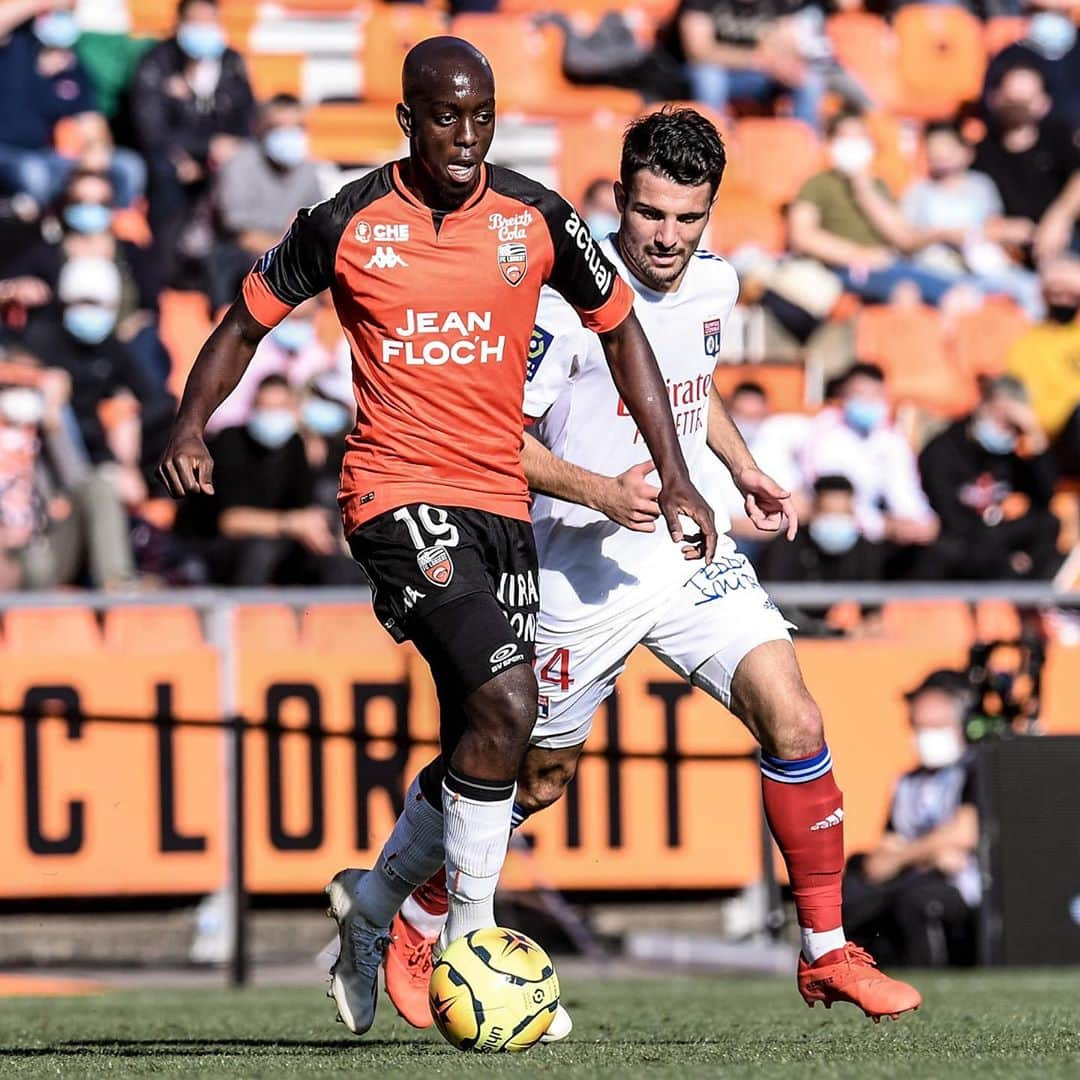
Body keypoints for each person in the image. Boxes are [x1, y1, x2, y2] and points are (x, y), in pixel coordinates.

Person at [156, 38, 715, 1039]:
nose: (467, 137)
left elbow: (622, 328)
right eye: (446, 118)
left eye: (483, 117)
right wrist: (192, 423)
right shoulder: (347, 221)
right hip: (395, 495)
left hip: (500, 505)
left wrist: (678, 471)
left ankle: (371, 909)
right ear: (408, 120)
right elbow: (244, 323)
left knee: (491, 732)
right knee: (507, 698)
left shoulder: (537, 218)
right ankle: (472, 943)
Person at [367, 106, 920, 1037]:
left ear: (711, 212)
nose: (667, 237)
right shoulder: (556, 304)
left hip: (686, 551)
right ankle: (417, 914)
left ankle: (826, 950)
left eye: (688, 217)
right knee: (535, 780)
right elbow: (492, 440)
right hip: (575, 574)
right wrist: (597, 489)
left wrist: (741, 470)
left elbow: (689, 394)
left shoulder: (716, 283)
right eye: (651, 214)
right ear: (620, 200)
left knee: (795, 716)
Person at [843, 669, 980, 968]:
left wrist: (904, 857)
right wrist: (928, 854)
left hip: (964, 884)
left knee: (916, 901)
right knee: (854, 887)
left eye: (937, 726)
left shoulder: (976, 770)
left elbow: (964, 834)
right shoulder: (907, 782)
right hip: (915, 874)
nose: (926, 735)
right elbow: (886, 851)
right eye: (920, 727)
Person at [174, 373, 360, 585]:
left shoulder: (299, 447)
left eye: (280, 408)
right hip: (217, 549)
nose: (272, 416)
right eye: (265, 407)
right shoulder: (229, 443)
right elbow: (231, 522)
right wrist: (289, 524)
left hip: (282, 544)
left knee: (337, 565)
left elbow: (307, 514)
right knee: (260, 552)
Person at [21, 257, 176, 504]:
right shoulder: (41, 340)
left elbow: (157, 400)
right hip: (55, 449)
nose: (89, 312)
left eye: (98, 304)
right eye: (82, 302)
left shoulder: (113, 349)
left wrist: (126, 417)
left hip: (110, 451)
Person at [126, 0, 256, 284]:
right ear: (180, 24)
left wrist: (217, 153)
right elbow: (150, 128)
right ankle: (165, 270)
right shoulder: (156, 62)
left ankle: (232, 270)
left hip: (219, 159)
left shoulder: (232, 63)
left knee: (245, 166)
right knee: (164, 172)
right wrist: (197, 150)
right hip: (172, 158)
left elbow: (246, 119)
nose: (204, 30)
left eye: (210, 22)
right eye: (197, 22)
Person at [788, 110, 973, 307]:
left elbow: (901, 235)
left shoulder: (878, 186)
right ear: (831, 142)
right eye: (846, 137)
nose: (854, 144)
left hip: (890, 264)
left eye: (860, 137)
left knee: (961, 293)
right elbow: (802, 236)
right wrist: (858, 255)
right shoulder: (817, 184)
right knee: (905, 293)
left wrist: (864, 189)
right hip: (844, 268)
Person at [799, 362, 940, 577]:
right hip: (831, 530)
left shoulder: (891, 439)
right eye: (859, 394)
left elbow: (905, 493)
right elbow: (830, 501)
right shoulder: (824, 431)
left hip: (878, 532)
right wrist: (884, 526)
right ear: (844, 396)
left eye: (874, 395)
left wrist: (920, 523)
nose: (867, 402)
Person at [0, 0, 145, 208]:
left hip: (44, 156)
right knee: (34, 174)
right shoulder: (15, 44)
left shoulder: (73, 69)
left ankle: (105, 230)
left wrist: (96, 151)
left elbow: (93, 125)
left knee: (128, 167)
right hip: (7, 153)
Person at [918, 375, 1059, 580]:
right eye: (1001, 418)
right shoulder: (943, 450)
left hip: (999, 538)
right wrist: (1005, 558)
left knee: (1048, 524)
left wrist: (1036, 437)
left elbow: (1046, 495)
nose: (1005, 429)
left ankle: (1034, 602)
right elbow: (949, 516)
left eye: (1011, 424)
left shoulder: (1011, 455)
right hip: (962, 544)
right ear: (984, 405)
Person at [901, 122, 1043, 318]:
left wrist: (1007, 232)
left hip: (981, 268)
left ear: (966, 152)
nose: (940, 154)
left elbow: (994, 224)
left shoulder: (981, 185)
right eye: (934, 148)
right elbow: (905, 240)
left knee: (1031, 288)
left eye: (947, 147)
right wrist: (942, 235)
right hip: (937, 271)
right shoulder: (919, 191)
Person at [210, 93, 324, 309]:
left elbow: (319, 222)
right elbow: (243, 236)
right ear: (261, 128)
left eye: (297, 127)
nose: (290, 135)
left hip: (289, 254)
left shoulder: (309, 169)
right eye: (279, 127)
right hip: (239, 264)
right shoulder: (240, 164)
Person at [974, 62, 1080, 269]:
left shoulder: (1059, 136)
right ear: (994, 98)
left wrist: (1060, 218)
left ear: (1044, 103)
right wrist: (1000, 229)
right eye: (1012, 98)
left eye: (1026, 99)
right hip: (1008, 253)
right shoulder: (981, 152)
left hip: (1068, 242)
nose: (1018, 104)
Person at [758, 473, 886, 633]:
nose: (835, 521)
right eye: (829, 513)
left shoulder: (864, 550)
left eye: (842, 514)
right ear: (814, 509)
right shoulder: (787, 544)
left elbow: (873, 610)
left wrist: (861, 628)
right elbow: (775, 601)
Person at [673, 0, 824, 126]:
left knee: (808, 79)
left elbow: (789, 46)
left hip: (759, 76)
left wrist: (779, 62)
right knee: (708, 77)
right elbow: (698, 52)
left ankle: (805, 149)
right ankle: (707, 144)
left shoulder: (779, 3)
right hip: (713, 74)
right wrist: (755, 59)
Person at [1007, 257, 1080, 476]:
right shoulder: (1026, 344)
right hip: (1055, 442)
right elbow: (1018, 399)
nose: (1064, 300)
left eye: (1071, 294)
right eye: (1057, 293)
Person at [981, 1, 1080, 134]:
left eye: (1059, 13)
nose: (1049, 19)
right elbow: (989, 102)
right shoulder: (1010, 56)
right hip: (1028, 141)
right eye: (1040, 12)